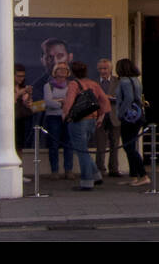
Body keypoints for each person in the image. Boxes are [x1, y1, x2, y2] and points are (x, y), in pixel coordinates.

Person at [63, 61, 110, 191]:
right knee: (84, 149)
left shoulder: (74, 84)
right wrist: (100, 116)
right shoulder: (93, 84)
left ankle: (87, 181)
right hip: (92, 120)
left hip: (78, 120)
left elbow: (69, 101)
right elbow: (104, 100)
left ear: (72, 72)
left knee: (81, 151)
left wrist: (65, 115)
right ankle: (96, 175)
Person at [114, 58, 149, 187]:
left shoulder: (123, 81)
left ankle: (143, 175)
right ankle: (134, 176)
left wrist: (120, 113)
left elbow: (128, 98)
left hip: (129, 117)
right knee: (131, 146)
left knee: (129, 147)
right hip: (138, 116)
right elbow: (138, 98)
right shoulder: (136, 80)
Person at [42, 61, 71, 180]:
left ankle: (68, 170)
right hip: (53, 117)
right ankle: (55, 171)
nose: (63, 71)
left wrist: (59, 101)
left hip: (68, 117)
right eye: (60, 69)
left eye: (65, 69)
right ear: (55, 71)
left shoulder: (71, 84)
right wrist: (62, 103)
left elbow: (71, 100)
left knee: (68, 144)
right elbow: (48, 102)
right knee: (53, 145)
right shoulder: (48, 85)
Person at [94, 57, 121, 178]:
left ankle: (114, 169)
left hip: (114, 116)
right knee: (100, 144)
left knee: (115, 144)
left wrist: (108, 97)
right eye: (101, 69)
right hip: (99, 116)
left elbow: (121, 98)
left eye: (105, 68)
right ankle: (100, 169)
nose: (103, 71)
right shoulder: (94, 83)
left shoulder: (118, 81)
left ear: (110, 69)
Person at [29, 38, 73, 102]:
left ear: (70, 57)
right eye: (49, 57)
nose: (55, 61)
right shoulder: (35, 89)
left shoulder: (80, 84)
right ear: (42, 60)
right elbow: (34, 109)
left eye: (60, 56)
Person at [13, 64, 33, 151]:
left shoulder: (22, 87)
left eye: (23, 76)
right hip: (10, 119)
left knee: (19, 145)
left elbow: (28, 104)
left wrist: (29, 95)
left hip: (21, 119)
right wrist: (18, 93)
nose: (21, 78)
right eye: (19, 76)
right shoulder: (7, 87)